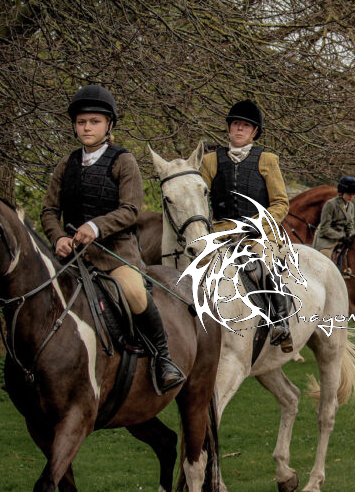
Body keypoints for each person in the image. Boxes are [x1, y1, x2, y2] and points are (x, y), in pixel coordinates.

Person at [41, 84, 185, 391]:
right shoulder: (65, 165)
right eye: (81, 122)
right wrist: (58, 238)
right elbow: (49, 211)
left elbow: (130, 210)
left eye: (94, 121)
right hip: (72, 256)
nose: (87, 127)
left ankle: (163, 358)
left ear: (108, 125)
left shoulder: (123, 161)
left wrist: (95, 228)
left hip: (114, 255)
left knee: (134, 293)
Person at [199, 99, 295, 351]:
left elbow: (280, 203)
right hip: (220, 233)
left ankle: (280, 321)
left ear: (254, 132)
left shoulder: (267, 160)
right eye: (236, 124)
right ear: (229, 128)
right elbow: (199, 198)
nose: (239, 129)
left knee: (267, 261)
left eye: (245, 126)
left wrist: (256, 224)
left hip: (256, 235)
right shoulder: (210, 161)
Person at [313, 176, 355, 259]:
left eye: (353, 194)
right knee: (325, 257)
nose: (351, 196)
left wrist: (352, 237)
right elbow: (325, 229)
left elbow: (350, 226)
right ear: (342, 192)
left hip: (343, 241)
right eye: (349, 193)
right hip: (327, 241)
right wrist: (341, 237)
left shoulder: (351, 206)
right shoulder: (330, 204)